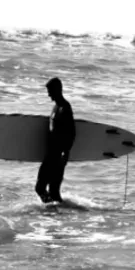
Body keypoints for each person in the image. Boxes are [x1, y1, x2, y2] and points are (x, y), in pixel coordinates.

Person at [36, 77, 77, 205]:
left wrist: (65, 152)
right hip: (51, 154)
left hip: (58, 155)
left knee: (53, 190)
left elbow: (72, 132)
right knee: (41, 188)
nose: (48, 94)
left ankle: (57, 214)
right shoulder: (55, 107)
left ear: (57, 90)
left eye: (50, 91)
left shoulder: (65, 108)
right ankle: (54, 211)